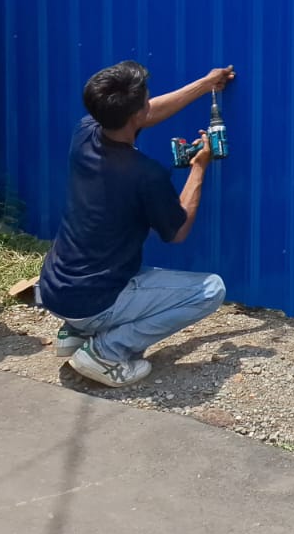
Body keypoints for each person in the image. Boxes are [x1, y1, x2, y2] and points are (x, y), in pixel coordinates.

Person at [39, 60, 236, 389]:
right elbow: (178, 231)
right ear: (136, 114)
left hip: (55, 289)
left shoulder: (85, 132)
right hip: (92, 299)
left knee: (124, 269)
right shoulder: (144, 174)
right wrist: (199, 168)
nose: (149, 102)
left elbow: (146, 113)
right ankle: (106, 351)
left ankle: (76, 331)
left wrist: (205, 85)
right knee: (211, 290)